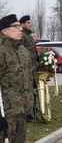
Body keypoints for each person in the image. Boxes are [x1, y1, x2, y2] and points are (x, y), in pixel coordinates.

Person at [0, 14, 33, 143]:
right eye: (16, 26)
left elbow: (27, 80)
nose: (20, 29)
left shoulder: (23, 51)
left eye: (20, 25)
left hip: (21, 111)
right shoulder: (2, 51)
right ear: (4, 30)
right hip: (6, 114)